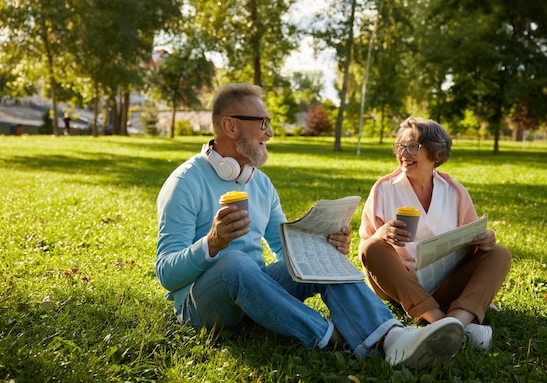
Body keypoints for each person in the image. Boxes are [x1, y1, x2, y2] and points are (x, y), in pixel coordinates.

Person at [156, 83, 466, 369]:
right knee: (234, 261)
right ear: (230, 125)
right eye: (262, 123)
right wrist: (211, 244)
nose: (270, 132)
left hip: (255, 295)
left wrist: (323, 247)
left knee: (317, 251)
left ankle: (393, 338)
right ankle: (332, 338)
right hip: (200, 307)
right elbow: (167, 274)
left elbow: (283, 250)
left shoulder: (259, 183)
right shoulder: (185, 183)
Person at [358, 117, 512, 350]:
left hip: (443, 282)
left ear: (436, 153)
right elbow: (366, 248)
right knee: (372, 247)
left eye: (412, 147)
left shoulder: (455, 192)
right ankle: (442, 322)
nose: (403, 153)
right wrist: (381, 233)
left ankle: (457, 323)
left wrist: (486, 240)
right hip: (399, 283)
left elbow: (473, 242)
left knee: (500, 253)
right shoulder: (384, 188)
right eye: (400, 146)